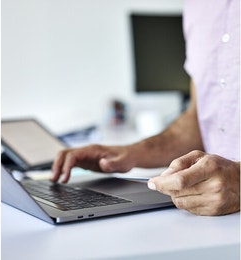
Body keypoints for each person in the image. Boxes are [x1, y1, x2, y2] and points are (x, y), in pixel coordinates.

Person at [51, 0, 239, 216]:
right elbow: (198, 121)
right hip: (212, 217)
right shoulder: (199, 7)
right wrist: (127, 153)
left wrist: (238, 180)